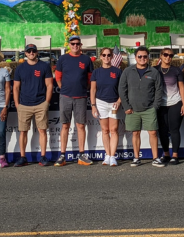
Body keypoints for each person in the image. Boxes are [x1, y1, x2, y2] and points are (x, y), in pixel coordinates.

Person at [119, 46, 164, 167]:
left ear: (148, 57)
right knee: (135, 133)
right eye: (140, 56)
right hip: (132, 109)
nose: (142, 58)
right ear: (135, 57)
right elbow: (122, 89)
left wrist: (155, 106)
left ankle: (155, 158)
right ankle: (136, 157)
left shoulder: (154, 72)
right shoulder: (127, 71)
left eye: (145, 56)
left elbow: (159, 90)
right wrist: (126, 106)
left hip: (149, 109)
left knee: (153, 133)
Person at [54, 35, 94, 166]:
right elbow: (58, 77)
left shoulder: (86, 59)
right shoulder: (63, 58)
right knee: (65, 126)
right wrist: (65, 89)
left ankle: (81, 155)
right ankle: (62, 156)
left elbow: (90, 78)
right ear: (69, 45)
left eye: (77, 43)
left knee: (81, 126)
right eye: (73, 43)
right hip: (65, 97)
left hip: (81, 97)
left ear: (81, 45)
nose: (75, 46)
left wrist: (82, 88)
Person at [13, 44, 53, 167]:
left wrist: (47, 102)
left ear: (37, 52)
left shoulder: (44, 66)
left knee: (42, 130)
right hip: (24, 104)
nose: (31, 53)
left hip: (41, 103)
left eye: (33, 51)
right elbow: (15, 87)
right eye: (29, 51)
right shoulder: (20, 68)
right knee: (23, 131)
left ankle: (43, 156)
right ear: (25, 53)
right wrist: (17, 104)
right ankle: (23, 157)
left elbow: (50, 85)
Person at [154, 48, 184, 165]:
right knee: (162, 131)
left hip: (175, 102)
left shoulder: (176, 70)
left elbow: (181, 87)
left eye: (171, 55)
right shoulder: (154, 70)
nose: (168, 57)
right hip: (160, 104)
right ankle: (166, 154)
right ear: (161, 56)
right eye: (166, 55)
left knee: (174, 129)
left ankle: (175, 155)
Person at [90, 47, 122, 167]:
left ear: (112, 56)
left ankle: (113, 156)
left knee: (113, 130)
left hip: (114, 103)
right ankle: (107, 155)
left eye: (109, 55)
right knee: (105, 130)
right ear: (100, 57)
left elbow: (122, 89)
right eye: (104, 55)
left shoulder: (118, 71)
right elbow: (93, 90)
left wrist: (119, 101)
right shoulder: (96, 72)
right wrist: (93, 106)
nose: (106, 57)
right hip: (101, 103)